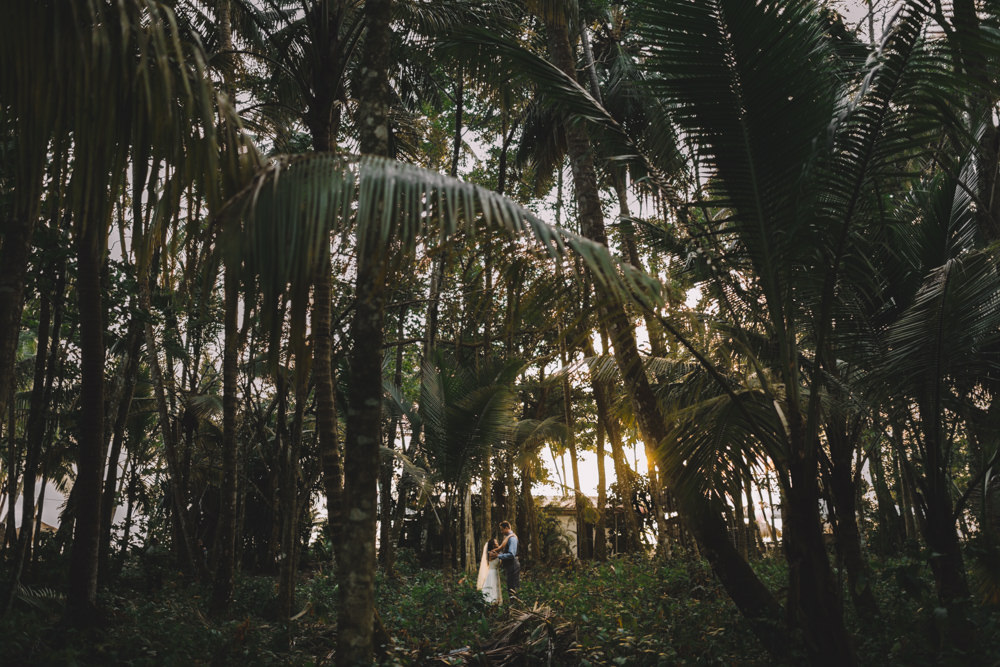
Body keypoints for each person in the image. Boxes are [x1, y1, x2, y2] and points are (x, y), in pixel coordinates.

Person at [489, 521, 520, 598]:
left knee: (513, 586)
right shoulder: (508, 538)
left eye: (502, 530)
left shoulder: (512, 538)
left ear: (506, 528)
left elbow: (511, 554)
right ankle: (513, 603)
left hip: (513, 564)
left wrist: (498, 556)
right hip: (510, 565)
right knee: (510, 585)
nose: (501, 532)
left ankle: (515, 604)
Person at [476, 538, 502, 604]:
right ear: (493, 545)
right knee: (491, 588)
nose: (497, 543)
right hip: (491, 573)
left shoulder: (496, 552)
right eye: (496, 542)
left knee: (494, 588)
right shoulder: (492, 553)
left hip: (495, 572)